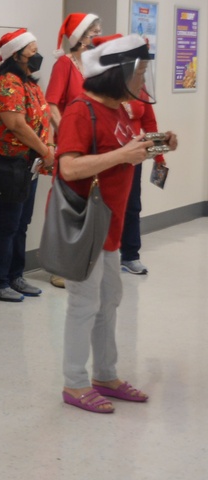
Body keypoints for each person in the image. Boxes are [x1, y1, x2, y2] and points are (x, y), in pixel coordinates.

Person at [56, 34, 177, 413]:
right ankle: (74, 384)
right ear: (115, 74)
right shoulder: (81, 110)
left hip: (110, 223)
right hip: (85, 223)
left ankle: (105, 374)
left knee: (109, 300)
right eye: (137, 72)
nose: (141, 80)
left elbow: (126, 150)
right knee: (83, 302)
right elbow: (69, 166)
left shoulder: (120, 110)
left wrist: (159, 144)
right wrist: (123, 154)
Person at [0, 29, 54, 302]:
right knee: (8, 224)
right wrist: (45, 150)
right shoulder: (7, 83)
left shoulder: (29, 83)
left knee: (22, 223)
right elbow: (16, 125)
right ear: (16, 54)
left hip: (28, 164)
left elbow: (38, 119)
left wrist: (44, 150)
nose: (37, 56)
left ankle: (15, 276)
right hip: (8, 164)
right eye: (32, 51)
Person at [45, 12, 100, 289]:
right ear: (79, 36)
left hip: (91, 144)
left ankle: (82, 260)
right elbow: (52, 103)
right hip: (70, 145)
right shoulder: (64, 64)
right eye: (92, 29)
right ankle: (59, 266)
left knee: (87, 202)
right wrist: (65, 131)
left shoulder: (92, 64)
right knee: (65, 203)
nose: (98, 32)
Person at [119, 87, 163, 275]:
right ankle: (99, 257)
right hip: (108, 155)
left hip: (134, 157)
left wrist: (158, 156)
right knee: (104, 207)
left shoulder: (140, 89)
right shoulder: (105, 85)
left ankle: (130, 256)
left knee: (132, 205)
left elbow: (150, 123)